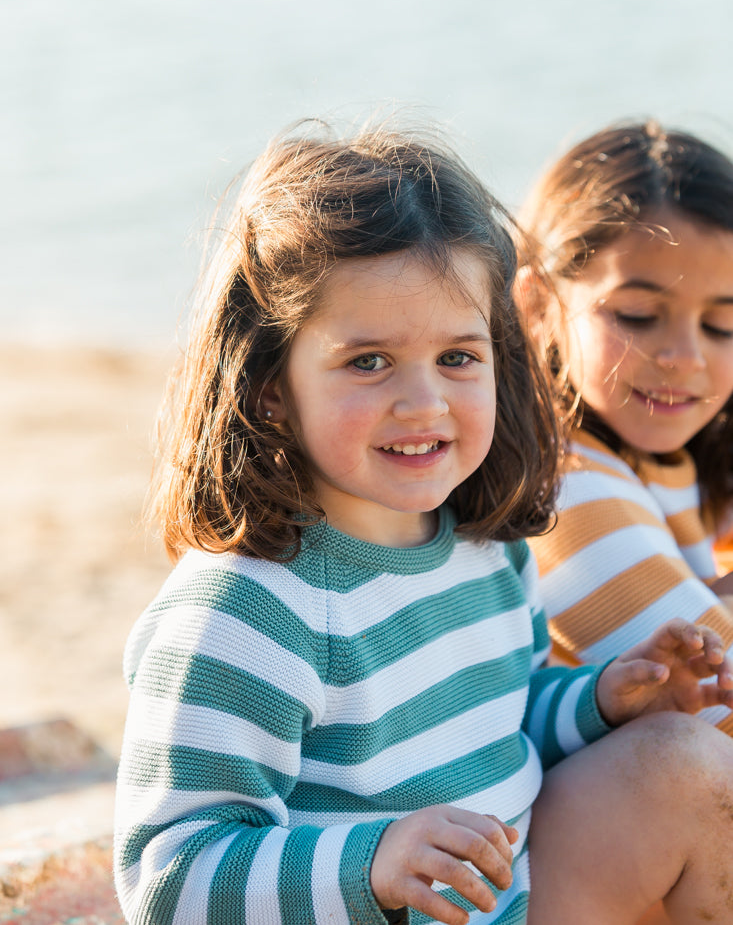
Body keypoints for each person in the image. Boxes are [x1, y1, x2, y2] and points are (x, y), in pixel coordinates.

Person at [114, 120, 733, 925]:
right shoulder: (243, 612)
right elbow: (168, 875)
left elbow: (501, 723)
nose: (423, 401)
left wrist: (600, 703)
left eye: (456, 357)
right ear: (270, 383)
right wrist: (370, 864)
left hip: (505, 904)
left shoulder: (485, 552)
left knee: (682, 760)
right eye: (367, 361)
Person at [517, 119, 733, 737]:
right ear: (538, 306)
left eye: (722, 326)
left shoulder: (669, 457)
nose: (683, 356)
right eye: (637, 315)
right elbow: (720, 702)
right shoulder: (560, 485)